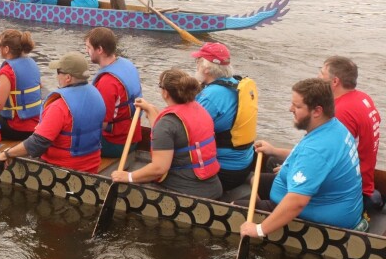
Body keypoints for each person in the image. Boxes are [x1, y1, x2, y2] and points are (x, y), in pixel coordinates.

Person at [239, 78, 365, 238]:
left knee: (233, 209)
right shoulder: (334, 127)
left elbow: (297, 202)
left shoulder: (316, 149)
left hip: (324, 216)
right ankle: (258, 205)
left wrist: (258, 230)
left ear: (317, 111)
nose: (290, 109)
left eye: (297, 106)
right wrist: (274, 150)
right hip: (335, 202)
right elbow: (309, 158)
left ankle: (261, 215)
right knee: (255, 180)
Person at [111, 69, 222, 199]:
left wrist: (129, 176)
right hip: (213, 189)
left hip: (188, 195)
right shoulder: (199, 109)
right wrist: (150, 110)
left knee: (125, 192)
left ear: (165, 93)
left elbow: (159, 168)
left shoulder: (167, 124)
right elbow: (165, 133)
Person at [0, 52, 105, 173]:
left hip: (64, 170)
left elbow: (36, 144)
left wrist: (7, 154)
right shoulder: (97, 94)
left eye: (58, 72)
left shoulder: (59, 106)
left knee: (16, 156)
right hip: (92, 165)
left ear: (68, 78)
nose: (57, 76)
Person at [319, 56, 383, 213]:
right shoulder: (363, 98)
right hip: (364, 181)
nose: (318, 77)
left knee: (272, 168)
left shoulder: (341, 112)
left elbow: (329, 159)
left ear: (335, 82)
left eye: (321, 73)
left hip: (349, 189)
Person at [192, 42, 257, 192]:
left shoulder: (211, 97)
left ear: (207, 68)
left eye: (198, 61)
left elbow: (186, 131)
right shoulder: (235, 83)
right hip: (245, 164)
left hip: (225, 172)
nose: (196, 66)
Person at [86, 28, 142, 158]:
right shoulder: (126, 64)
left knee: (66, 138)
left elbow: (102, 124)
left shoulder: (107, 83)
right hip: (132, 136)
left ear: (99, 50)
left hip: (116, 144)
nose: (86, 51)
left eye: (88, 47)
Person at [0, 29, 42, 141]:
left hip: (16, 128)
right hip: (36, 125)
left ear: (6, 49)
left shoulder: (7, 72)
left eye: (0, 46)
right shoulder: (32, 63)